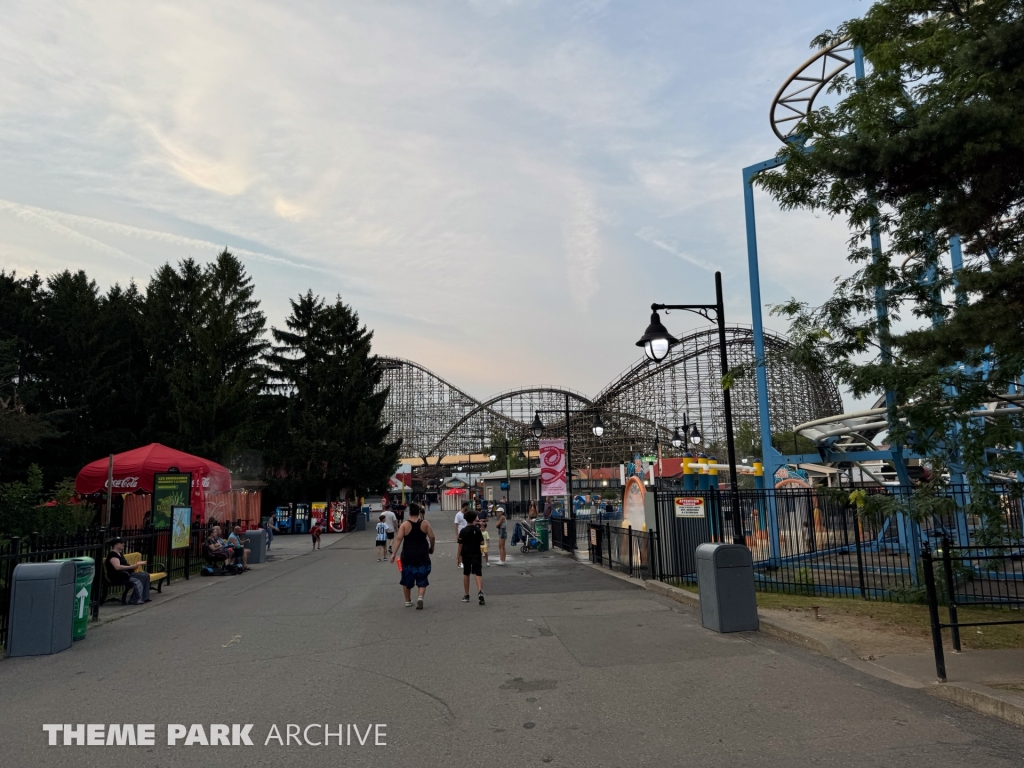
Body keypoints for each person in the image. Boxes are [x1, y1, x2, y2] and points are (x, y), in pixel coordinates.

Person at [391, 502, 435, 609]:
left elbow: (399, 539)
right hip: (422, 554)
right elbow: (432, 537)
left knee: (406, 577)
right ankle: (420, 597)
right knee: (422, 577)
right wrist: (431, 548)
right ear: (419, 512)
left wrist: (393, 554)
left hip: (408, 555)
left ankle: (408, 601)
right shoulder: (425, 523)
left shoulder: (405, 525)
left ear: (409, 512)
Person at [106, 537, 151, 604]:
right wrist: (131, 567)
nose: (123, 544)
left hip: (126, 574)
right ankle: (136, 600)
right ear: (116, 545)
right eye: (121, 543)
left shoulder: (119, 553)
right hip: (119, 576)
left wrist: (133, 566)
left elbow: (124, 564)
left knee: (146, 575)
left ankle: (145, 597)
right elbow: (117, 567)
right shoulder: (113, 555)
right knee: (141, 577)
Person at [457, 510, 485, 605]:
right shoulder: (477, 530)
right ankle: (480, 591)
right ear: (474, 519)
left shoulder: (463, 531)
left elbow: (460, 544)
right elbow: (482, 542)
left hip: (466, 554)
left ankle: (467, 594)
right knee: (477, 573)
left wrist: (458, 556)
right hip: (476, 553)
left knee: (466, 573)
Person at [454, 502, 469, 566]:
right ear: (464, 506)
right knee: (460, 547)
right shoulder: (458, 515)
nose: (468, 508)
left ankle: (465, 561)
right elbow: (456, 525)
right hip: (461, 533)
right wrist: (457, 534)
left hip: (467, 533)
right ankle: (460, 562)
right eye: (467, 506)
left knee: (466, 548)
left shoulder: (466, 514)